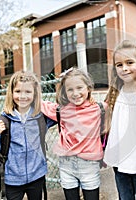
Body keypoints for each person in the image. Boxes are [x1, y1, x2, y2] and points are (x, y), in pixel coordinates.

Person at [0, 71, 56, 200]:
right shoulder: (5, 119)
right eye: (18, 91)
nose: (22, 96)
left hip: (37, 176)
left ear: (35, 93)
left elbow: (64, 115)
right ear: (11, 93)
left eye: (28, 92)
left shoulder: (41, 117)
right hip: (12, 179)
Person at [41, 67, 107, 200]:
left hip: (89, 165)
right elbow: (39, 103)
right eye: (70, 89)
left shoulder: (99, 109)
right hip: (66, 165)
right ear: (65, 92)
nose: (75, 93)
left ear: (88, 88)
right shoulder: (61, 110)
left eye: (79, 88)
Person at [103, 40, 136, 200]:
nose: (124, 68)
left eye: (129, 62)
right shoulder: (115, 92)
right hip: (120, 159)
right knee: (124, 197)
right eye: (119, 65)